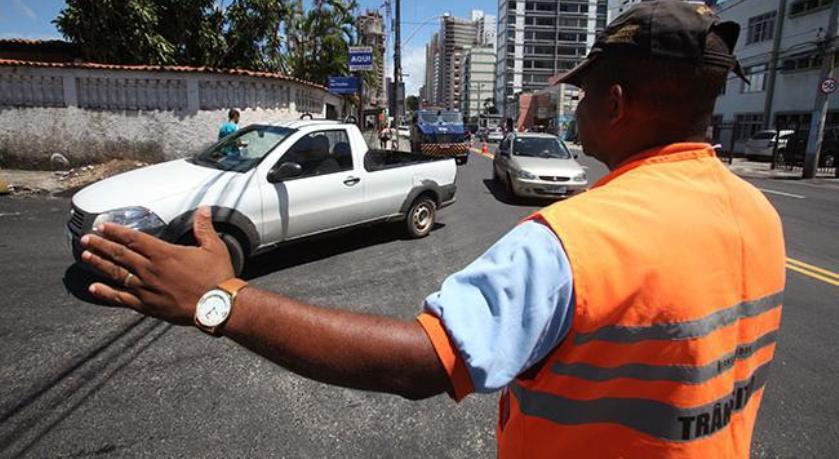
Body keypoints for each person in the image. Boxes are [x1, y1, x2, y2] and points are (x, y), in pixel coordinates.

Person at [77, 2, 785, 457]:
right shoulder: (759, 215)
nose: (576, 108)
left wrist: (222, 298)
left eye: (584, 93)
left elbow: (422, 362)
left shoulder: (579, 240)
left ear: (618, 102)